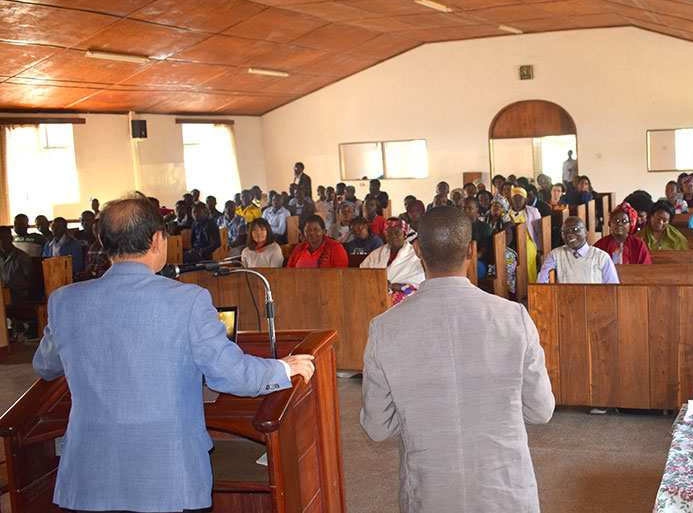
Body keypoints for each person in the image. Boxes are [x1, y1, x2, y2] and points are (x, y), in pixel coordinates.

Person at [31, 193, 315, 513]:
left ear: (103, 240)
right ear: (157, 240)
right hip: (167, 472)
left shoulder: (65, 300)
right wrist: (281, 368)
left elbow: (45, 366)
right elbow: (230, 374)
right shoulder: (188, 300)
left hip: (89, 472)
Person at [361, 206, 553, 512]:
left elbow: (378, 427)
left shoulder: (385, 328)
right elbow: (541, 410)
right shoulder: (514, 317)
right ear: (471, 250)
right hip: (506, 492)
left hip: (430, 494)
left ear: (418, 251)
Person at [360, 219, 424, 305]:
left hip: (404, 297)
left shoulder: (415, 255)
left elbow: (419, 283)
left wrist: (392, 287)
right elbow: (362, 273)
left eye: (397, 233)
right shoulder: (376, 254)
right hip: (375, 292)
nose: (393, 236)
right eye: (389, 233)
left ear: (405, 235)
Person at [538, 216, 618, 284]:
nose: (569, 234)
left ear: (585, 231)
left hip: (594, 300)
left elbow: (613, 288)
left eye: (575, 229)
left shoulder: (602, 257)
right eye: (565, 232)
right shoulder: (555, 255)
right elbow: (541, 283)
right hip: (565, 300)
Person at [510, 187, 542, 283]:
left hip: (528, 242)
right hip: (512, 244)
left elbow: (539, 231)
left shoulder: (533, 211)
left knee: (528, 265)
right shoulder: (507, 212)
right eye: (515, 197)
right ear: (511, 199)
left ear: (525, 199)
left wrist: (539, 248)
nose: (518, 200)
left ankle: (532, 287)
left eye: (520, 197)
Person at [463, 197, 494, 278]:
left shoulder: (484, 227)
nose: (466, 211)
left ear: (477, 209)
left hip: (478, 261)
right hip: (460, 261)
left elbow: (483, 251)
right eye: (464, 208)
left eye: (470, 208)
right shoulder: (458, 227)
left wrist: (468, 261)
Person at [0, 226, 33, 302]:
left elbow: (31, 281)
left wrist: (13, 288)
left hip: (18, 296)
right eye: (0, 238)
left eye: (5, 237)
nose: (2, 241)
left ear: (11, 238)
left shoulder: (22, 256)